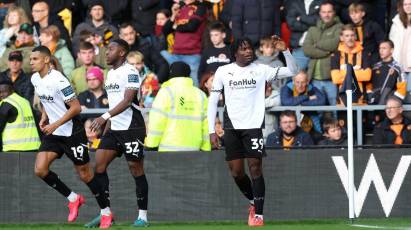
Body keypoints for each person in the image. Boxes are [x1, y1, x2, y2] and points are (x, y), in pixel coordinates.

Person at [207, 37, 298, 226]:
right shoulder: (224, 71)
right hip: (231, 127)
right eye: (244, 49)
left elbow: (292, 71)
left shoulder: (261, 69)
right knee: (236, 173)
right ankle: (252, 201)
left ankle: (259, 215)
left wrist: (286, 51)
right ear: (235, 53)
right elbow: (213, 101)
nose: (249, 52)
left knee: (255, 167)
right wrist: (211, 130)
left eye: (250, 48)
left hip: (254, 126)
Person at [30, 46, 109, 225]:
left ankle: (106, 212)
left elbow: (76, 107)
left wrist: (55, 123)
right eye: (31, 59)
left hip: (72, 132)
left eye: (35, 59)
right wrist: (44, 116)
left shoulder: (59, 80)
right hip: (54, 132)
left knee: (85, 175)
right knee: (40, 170)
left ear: (46, 60)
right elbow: (45, 100)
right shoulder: (35, 78)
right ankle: (74, 198)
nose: (31, 62)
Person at [86, 39, 148, 228]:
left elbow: (128, 100)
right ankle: (106, 214)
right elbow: (114, 104)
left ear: (122, 53)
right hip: (113, 128)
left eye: (111, 49)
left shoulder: (130, 71)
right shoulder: (110, 73)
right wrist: (106, 129)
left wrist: (104, 117)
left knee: (136, 169)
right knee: (99, 167)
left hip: (132, 128)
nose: (106, 52)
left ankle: (143, 218)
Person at [145, 61, 211, 151]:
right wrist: (206, 147)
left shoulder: (166, 92)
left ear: (171, 74)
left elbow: (157, 121)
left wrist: (151, 145)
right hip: (194, 149)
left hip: (168, 150)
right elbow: (206, 124)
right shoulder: (200, 94)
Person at [303, 1, 343, 106]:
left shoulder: (339, 27)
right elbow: (307, 49)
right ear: (320, 13)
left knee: (335, 111)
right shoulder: (312, 29)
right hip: (314, 80)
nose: (326, 14)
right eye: (324, 12)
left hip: (332, 79)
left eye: (329, 12)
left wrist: (316, 45)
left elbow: (335, 44)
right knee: (317, 112)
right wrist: (327, 52)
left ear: (334, 13)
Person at [161, 0, 207, 86]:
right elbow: (165, 30)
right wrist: (173, 14)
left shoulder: (200, 7)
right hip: (176, 54)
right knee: (176, 85)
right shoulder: (179, 8)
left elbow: (192, 26)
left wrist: (175, 27)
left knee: (194, 85)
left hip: (192, 54)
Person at [330, 24, 372, 104]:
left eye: (352, 35)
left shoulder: (364, 53)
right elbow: (336, 78)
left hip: (361, 100)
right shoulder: (336, 55)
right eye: (347, 36)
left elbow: (367, 76)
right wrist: (358, 72)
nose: (350, 38)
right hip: (342, 101)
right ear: (341, 38)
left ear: (356, 37)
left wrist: (343, 72)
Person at [0, 76, 39, 151]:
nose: (1, 95)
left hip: (13, 148)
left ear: (12, 90)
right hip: (34, 147)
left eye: (4, 91)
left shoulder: (6, 103)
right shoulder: (24, 101)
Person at [367, 40, 406, 105]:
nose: (381, 51)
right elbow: (369, 85)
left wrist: (392, 101)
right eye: (380, 48)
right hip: (373, 103)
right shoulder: (375, 67)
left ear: (391, 50)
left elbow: (402, 89)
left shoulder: (398, 67)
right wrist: (370, 95)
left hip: (389, 106)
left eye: (384, 48)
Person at [286, 0, 322, 70]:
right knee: (295, 76)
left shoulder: (321, 2)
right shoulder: (295, 3)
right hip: (299, 47)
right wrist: (311, 26)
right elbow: (291, 24)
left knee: (315, 78)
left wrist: (301, 18)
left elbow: (321, 22)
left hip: (317, 47)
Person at [389, 0, 411, 94]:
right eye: (405, 4)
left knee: (409, 90)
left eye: (410, 4)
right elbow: (392, 41)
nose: (408, 6)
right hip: (399, 62)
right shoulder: (397, 20)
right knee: (401, 93)